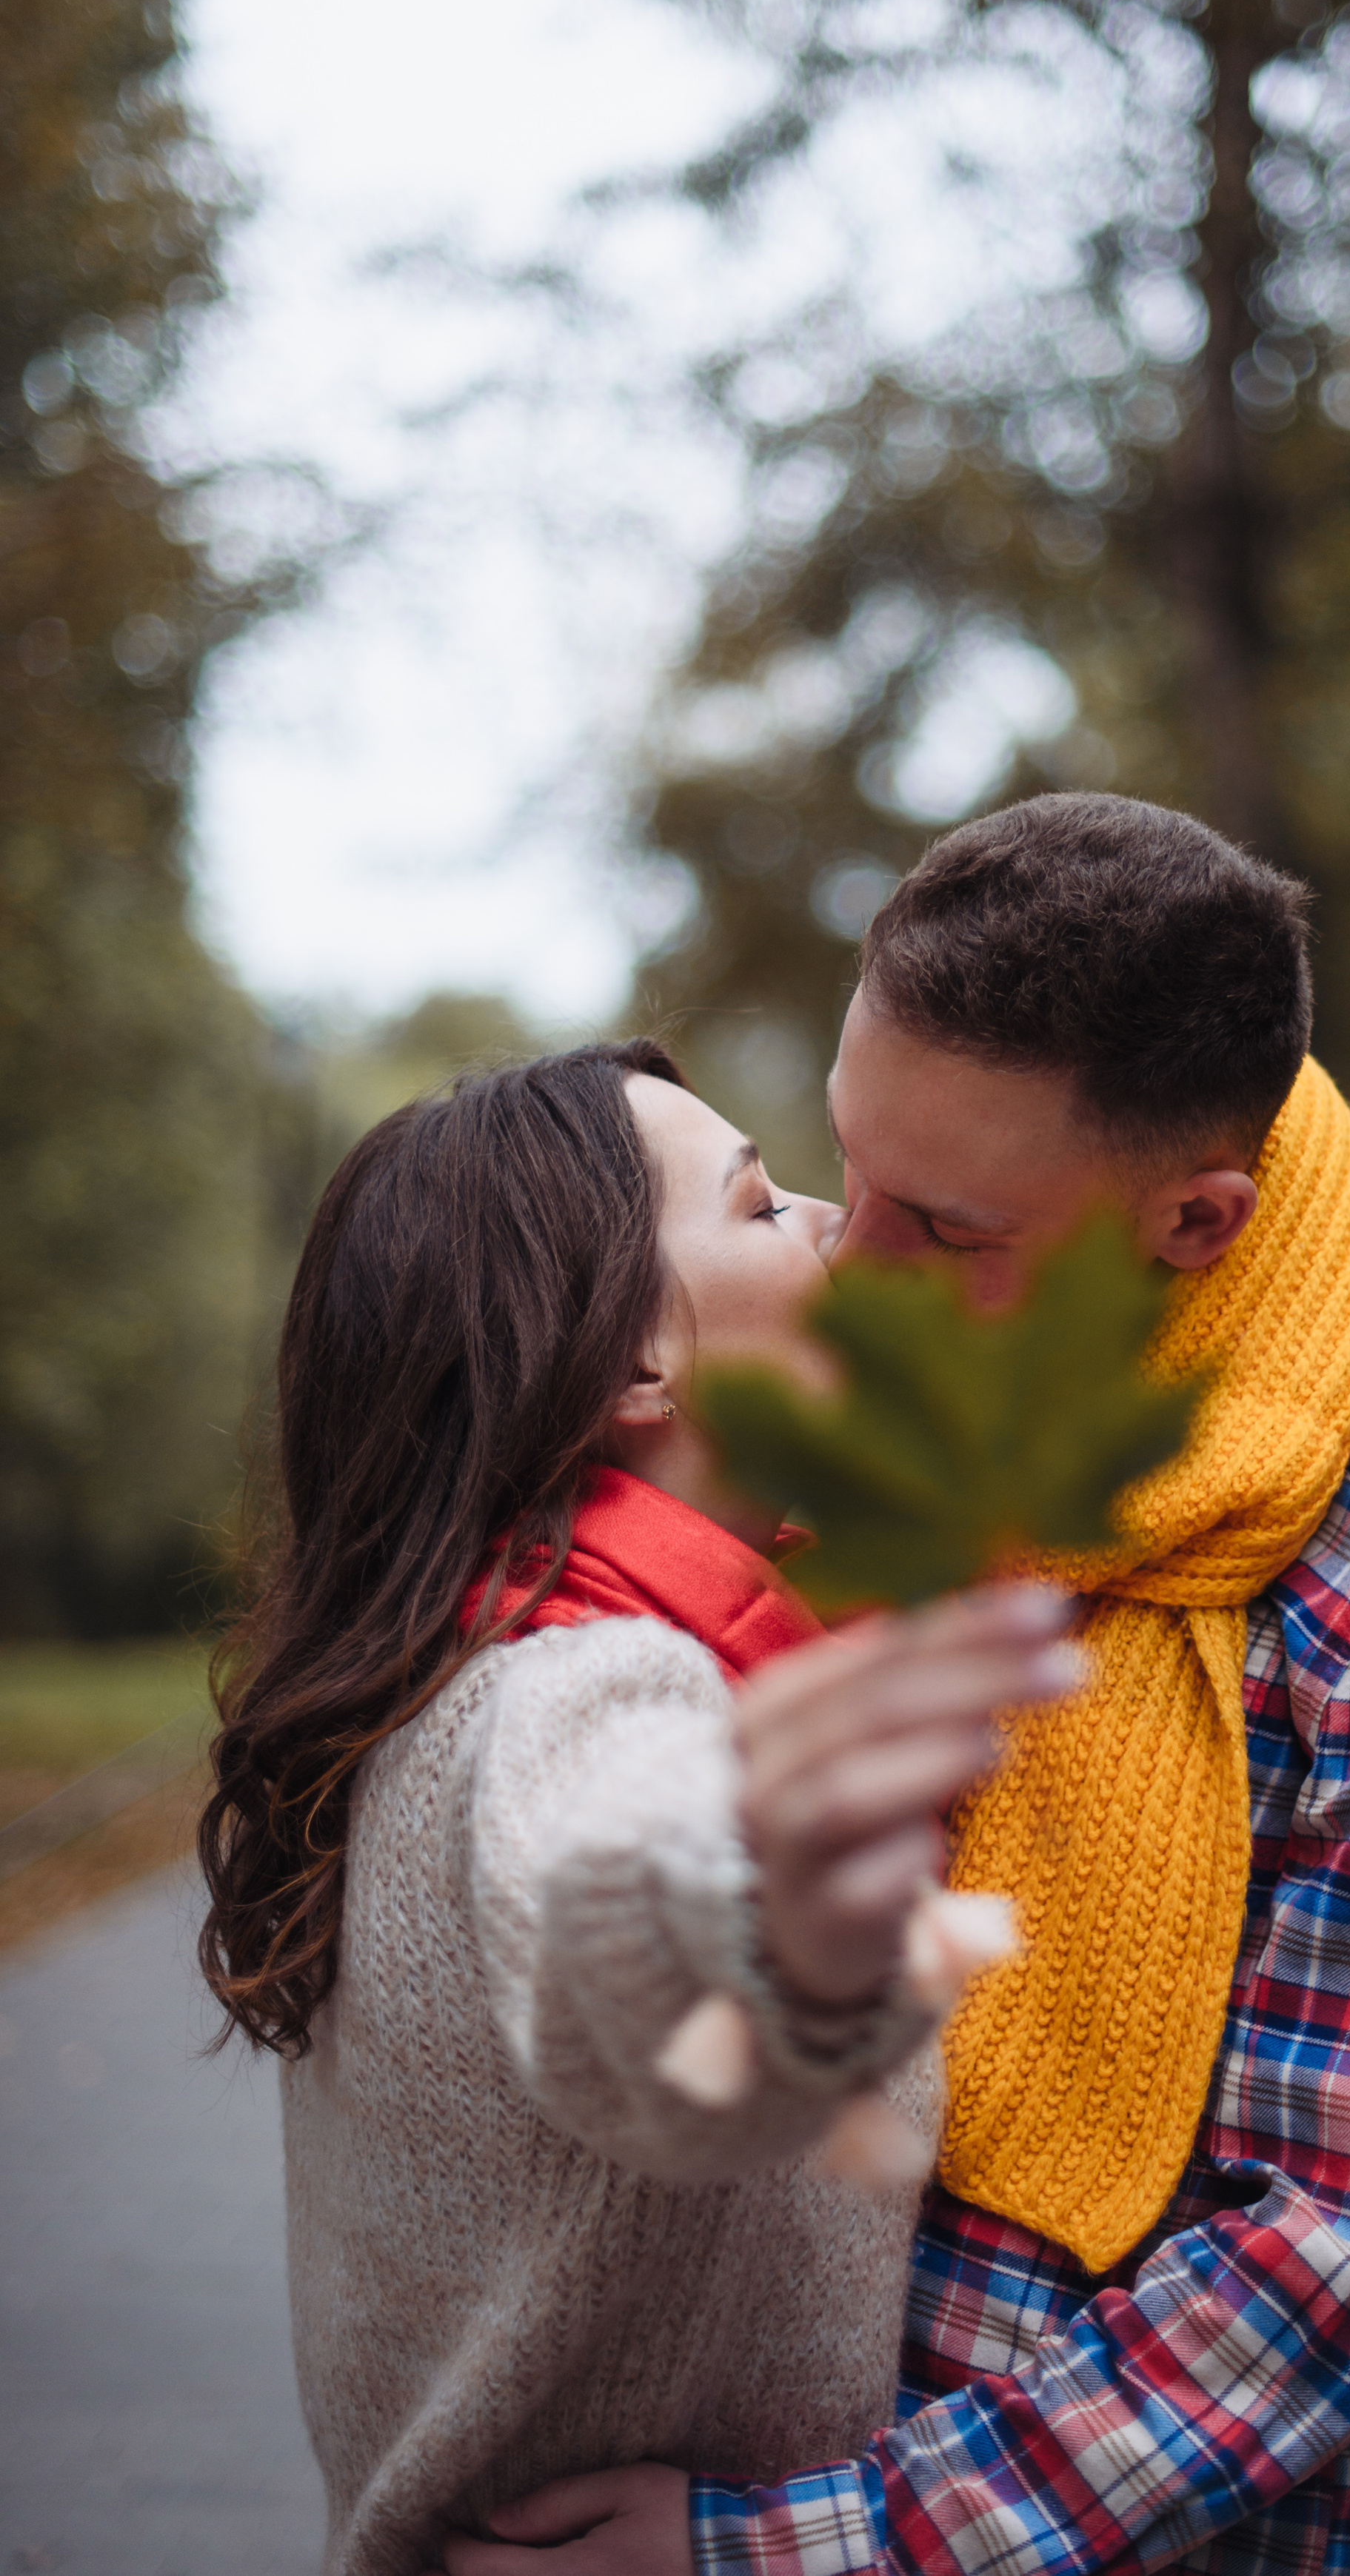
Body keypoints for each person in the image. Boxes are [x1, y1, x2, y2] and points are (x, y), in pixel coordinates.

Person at [461, 794, 1350, 2576]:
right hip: (791, 2415)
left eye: (942, 1228)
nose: (850, 1265)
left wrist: (772, 2556)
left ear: (1193, 1219)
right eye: (845, 1169)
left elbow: (1323, 2259)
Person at [196, 1038, 1079, 2576]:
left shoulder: (466, 1662)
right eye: (752, 1205)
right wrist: (782, 1949)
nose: (822, 1219)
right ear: (632, 1366)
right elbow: (634, 1955)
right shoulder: (600, 1689)